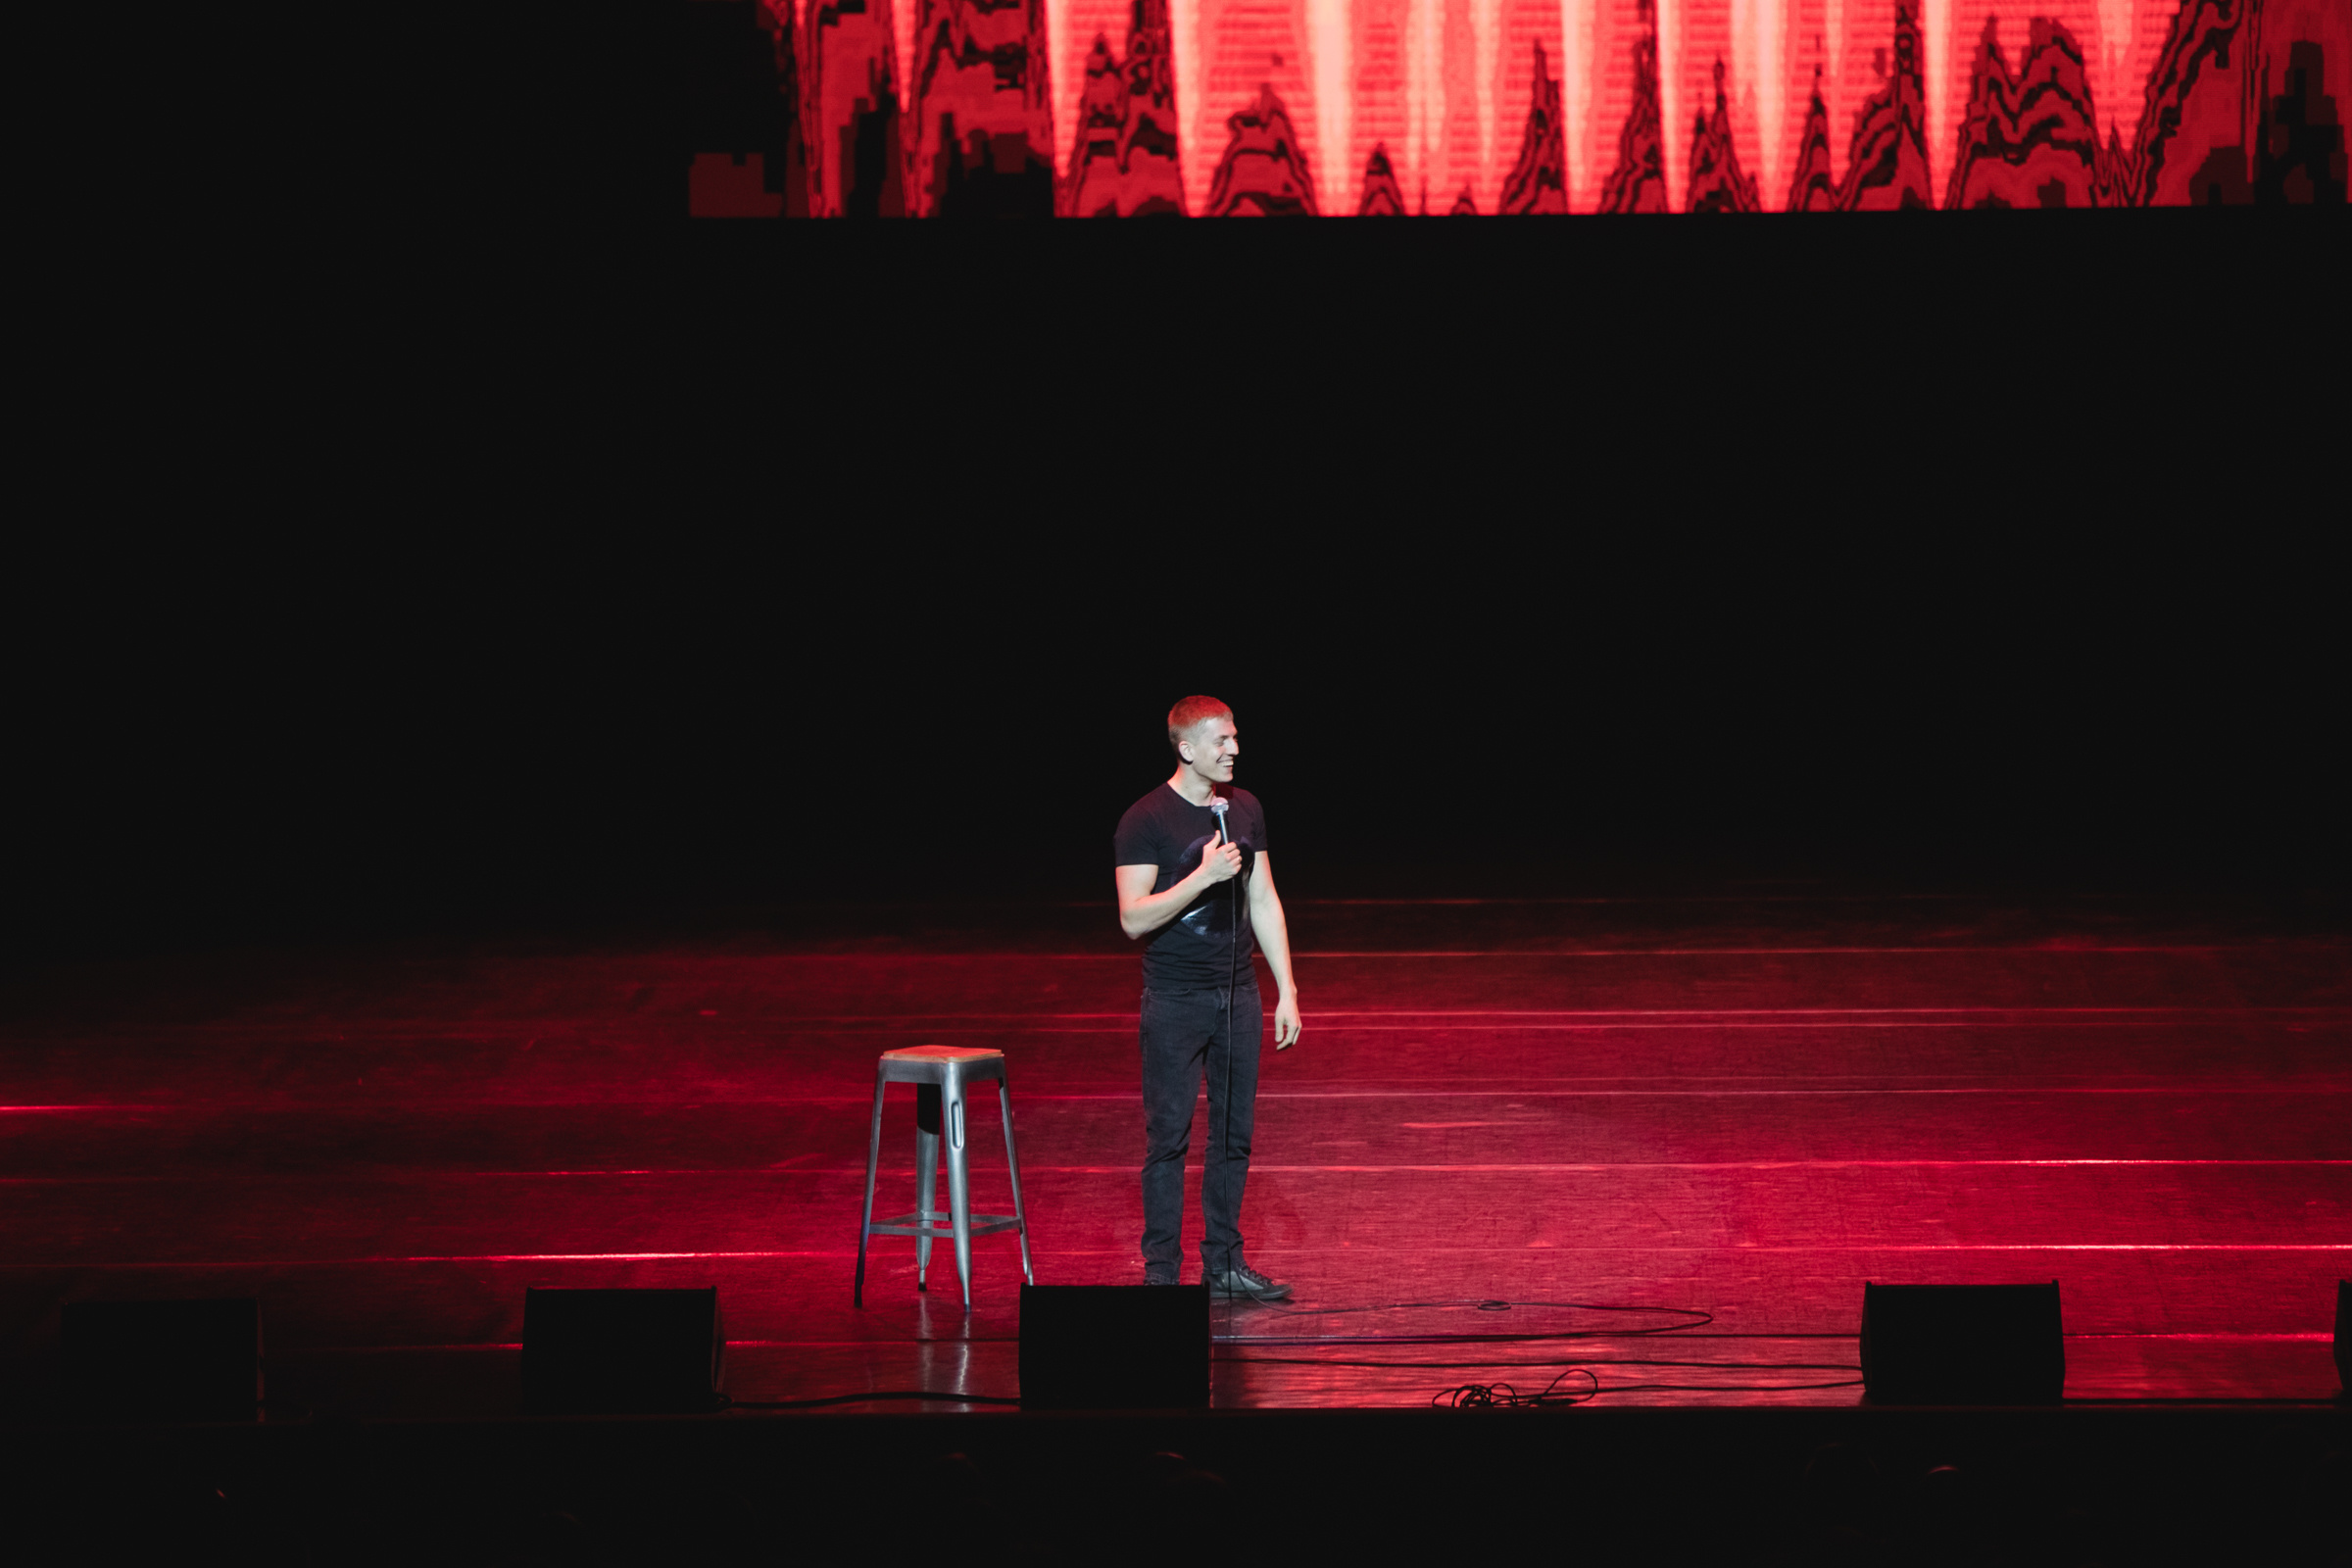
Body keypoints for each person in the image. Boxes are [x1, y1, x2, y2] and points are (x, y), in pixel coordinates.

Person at [1112, 695, 1301, 1300]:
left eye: (1236, 738)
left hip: (1236, 995)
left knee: (1233, 1137)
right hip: (1174, 998)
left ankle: (1223, 1264)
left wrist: (1287, 989)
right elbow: (1132, 919)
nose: (1234, 750)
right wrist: (1202, 878)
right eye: (1222, 741)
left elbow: (1264, 899)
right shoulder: (1146, 820)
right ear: (1186, 748)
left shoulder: (1243, 808)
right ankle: (1161, 1274)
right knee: (1167, 1137)